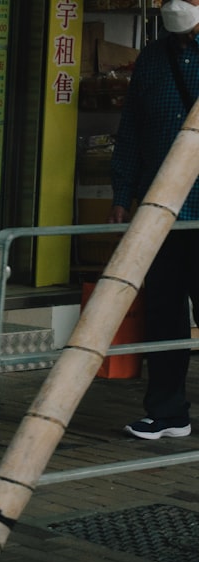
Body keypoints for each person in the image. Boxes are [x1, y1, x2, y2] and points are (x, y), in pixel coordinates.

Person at [109, 0, 199, 440]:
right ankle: (168, 413)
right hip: (158, 212)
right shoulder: (152, 57)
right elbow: (130, 130)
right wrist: (122, 194)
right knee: (163, 312)